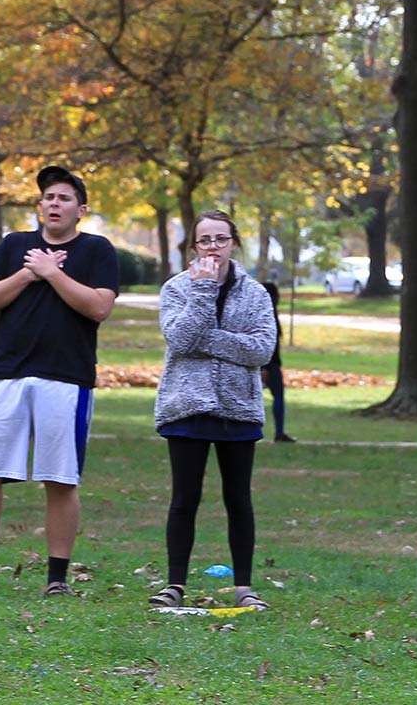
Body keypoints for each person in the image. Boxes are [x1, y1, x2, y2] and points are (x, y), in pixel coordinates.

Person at [0, 165, 119, 597]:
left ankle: (57, 579)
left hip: (66, 379)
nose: (54, 204)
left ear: (81, 209)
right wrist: (29, 272)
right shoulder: (15, 246)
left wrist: (54, 273)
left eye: (64, 198)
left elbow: (98, 307)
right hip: (7, 376)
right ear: (40, 207)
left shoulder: (97, 250)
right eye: (48, 198)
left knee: (59, 478)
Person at [148, 211, 276, 612]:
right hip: (186, 408)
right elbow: (181, 339)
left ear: (234, 242)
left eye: (221, 239)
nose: (213, 248)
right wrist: (202, 292)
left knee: (238, 499)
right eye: (205, 240)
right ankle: (174, 585)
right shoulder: (176, 289)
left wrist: (211, 340)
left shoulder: (255, 293)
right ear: (193, 246)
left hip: (239, 409)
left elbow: (261, 350)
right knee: (185, 499)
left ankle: (244, 586)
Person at [259, 281, 295, 443]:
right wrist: (265, 366)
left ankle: (278, 432)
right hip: (268, 364)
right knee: (277, 396)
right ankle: (278, 432)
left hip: (270, 363)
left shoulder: (266, 312)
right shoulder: (267, 314)